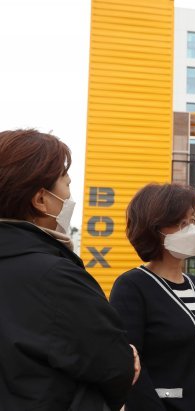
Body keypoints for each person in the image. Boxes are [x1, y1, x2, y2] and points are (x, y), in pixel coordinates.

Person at [0, 129, 139, 411]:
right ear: (40, 200)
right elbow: (116, 366)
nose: (69, 197)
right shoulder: (55, 275)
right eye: (66, 185)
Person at [110, 183, 195, 411]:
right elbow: (132, 369)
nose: (192, 230)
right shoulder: (132, 287)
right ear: (154, 230)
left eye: (193, 221)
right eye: (182, 224)